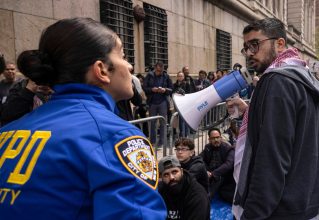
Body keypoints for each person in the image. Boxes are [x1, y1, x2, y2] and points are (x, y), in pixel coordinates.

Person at [0, 18, 166, 219]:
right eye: (123, 55)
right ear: (102, 70)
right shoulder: (117, 136)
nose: (130, 66)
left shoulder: (6, 133)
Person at [230, 18, 319, 219]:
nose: (249, 53)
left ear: (280, 44)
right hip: (302, 204)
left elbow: (271, 157)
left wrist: (253, 214)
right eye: (246, 47)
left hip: (278, 210)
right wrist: (250, 110)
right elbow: (291, 132)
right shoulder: (300, 76)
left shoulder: (277, 81)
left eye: (255, 44)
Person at [158, 155, 210, 220]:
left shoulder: (197, 195)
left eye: (174, 172)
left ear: (182, 171)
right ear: (161, 178)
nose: (171, 177)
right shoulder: (160, 189)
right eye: (166, 174)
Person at [200, 128, 235, 203]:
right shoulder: (207, 148)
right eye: (213, 138)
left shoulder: (229, 149)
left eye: (217, 137)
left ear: (221, 137)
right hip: (210, 175)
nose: (216, 140)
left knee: (225, 195)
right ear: (209, 139)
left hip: (225, 178)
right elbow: (200, 159)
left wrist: (213, 173)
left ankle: (204, 201)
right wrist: (206, 171)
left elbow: (228, 165)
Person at [143, 61, 173, 147]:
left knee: (163, 122)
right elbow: (144, 87)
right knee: (153, 123)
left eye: (161, 70)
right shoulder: (149, 75)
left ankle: (162, 142)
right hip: (152, 102)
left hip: (163, 101)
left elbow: (171, 89)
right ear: (155, 68)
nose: (159, 72)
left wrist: (164, 90)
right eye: (158, 70)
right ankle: (152, 141)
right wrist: (152, 89)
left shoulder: (166, 76)